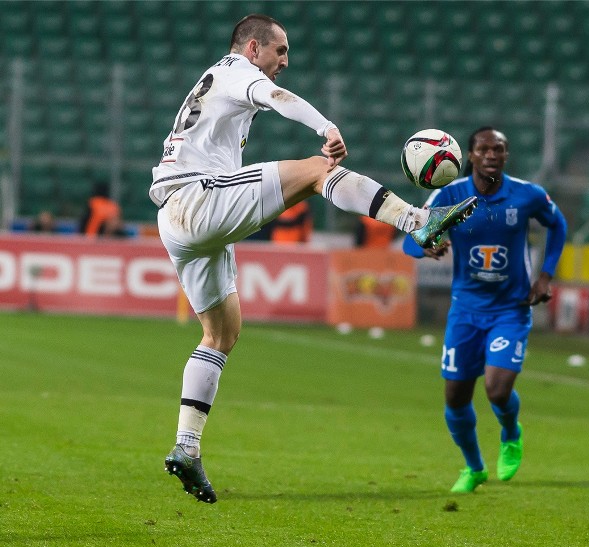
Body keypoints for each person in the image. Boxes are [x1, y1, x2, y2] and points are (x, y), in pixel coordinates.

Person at [153, 14, 477, 504]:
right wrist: (326, 126)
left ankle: (187, 447)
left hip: (179, 221)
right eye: (280, 51)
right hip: (194, 197)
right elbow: (279, 99)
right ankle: (417, 220)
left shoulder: (219, 81)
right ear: (254, 46)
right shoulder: (238, 71)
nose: (285, 61)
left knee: (222, 333)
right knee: (318, 168)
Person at [402, 127, 567, 493]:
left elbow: (558, 225)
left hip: (511, 308)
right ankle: (474, 467)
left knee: (496, 389)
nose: (492, 155)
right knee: (456, 398)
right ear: (470, 156)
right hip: (465, 310)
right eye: (484, 149)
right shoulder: (449, 194)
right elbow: (410, 240)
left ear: (506, 156)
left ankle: (510, 432)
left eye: (499, 149)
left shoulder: (527, 195)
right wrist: (425, 247)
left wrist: (545, 277)